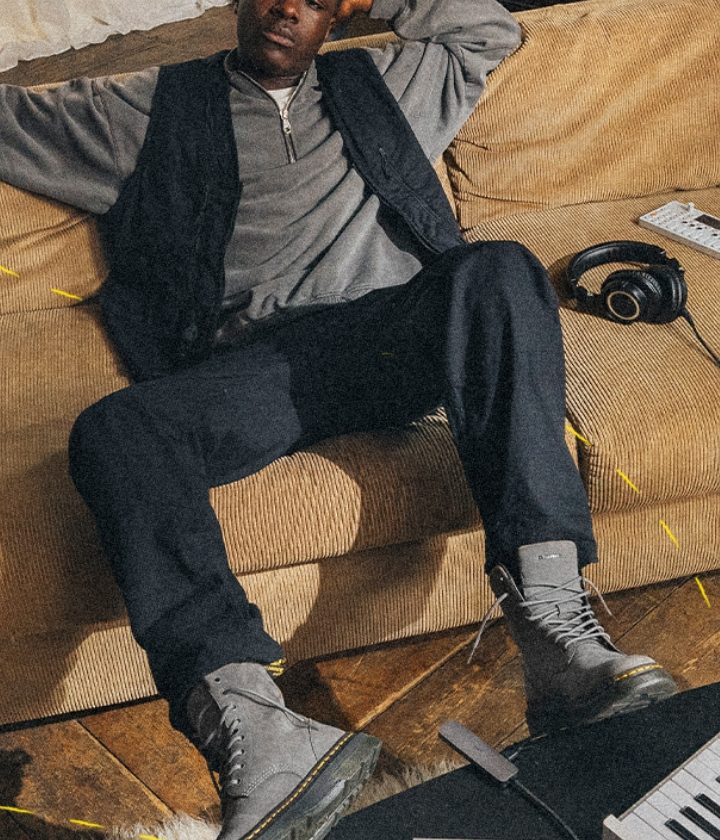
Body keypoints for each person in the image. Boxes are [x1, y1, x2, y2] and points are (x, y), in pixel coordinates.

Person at [0, 0, 679, 836]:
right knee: (117, 431)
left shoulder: (391, 80)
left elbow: (489, 30)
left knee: (500, 268)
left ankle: (555, 640)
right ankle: (257, 727)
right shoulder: (143, 107)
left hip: (393, 344)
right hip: (258, 369)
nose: (290, 7)